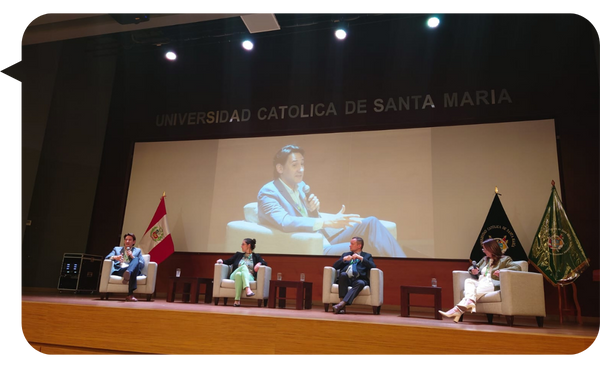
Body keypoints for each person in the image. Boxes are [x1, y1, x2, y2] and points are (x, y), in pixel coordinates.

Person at [257, 144, 406, 257]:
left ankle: (405, 265)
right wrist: (327, 222)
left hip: (323, 240)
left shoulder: (301, 186)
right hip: (312, 249)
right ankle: (400, 276)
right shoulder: (269, 192)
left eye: (302, 164)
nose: (301, 169)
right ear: (280, 168)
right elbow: (285, 222)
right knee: (368, 247)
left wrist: (312, 210)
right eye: (295, 165)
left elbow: (309, 220)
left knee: (370, 223)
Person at [439, 238, 521, 322]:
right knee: (468, 281)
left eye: (485, 249)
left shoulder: (505, 259)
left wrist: (501, 272)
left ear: (491, 248)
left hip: (492, 283)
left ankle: (457, 310)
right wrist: (473, 270)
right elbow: (473, 267)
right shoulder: (484, 259)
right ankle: (466, 305)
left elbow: (517, 268)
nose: (483, 251)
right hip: (481, 282)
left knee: (474, 292)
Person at [330, 237, 377, 314]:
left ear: (359, 246)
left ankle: (341, 305)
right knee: (343, 274)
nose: (349, 245)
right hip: (346, 279)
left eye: (352, 244)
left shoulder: (367, 256)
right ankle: (342, 305)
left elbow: (373, 266)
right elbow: (334, 266)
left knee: (361, 283)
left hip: (358, 278)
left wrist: (361, 258)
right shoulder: (346, 255)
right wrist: (344, 260)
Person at [216, 238, 268, 307]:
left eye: (243, 244)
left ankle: (237, 300)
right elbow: (228, 261)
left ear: (248, 245)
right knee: (243, 268)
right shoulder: (238, 254)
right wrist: (221, 261)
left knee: (239, 275)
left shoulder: (256, 256)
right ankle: (247, 289)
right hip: (233, 276)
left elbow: (265, 263)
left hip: (249, 277)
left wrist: (259, 263)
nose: (241, 246)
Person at [105, 233, 145, 302]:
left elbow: (142, 264)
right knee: (132, 272)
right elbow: (107, 257)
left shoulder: (137, 251)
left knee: (136, 260)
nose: (127, 241)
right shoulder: (117, 249)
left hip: (132, 269)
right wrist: (115, 257)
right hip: (121, 269)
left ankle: (128, 273)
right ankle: (130, 295)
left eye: (129, 240)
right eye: (126, 239)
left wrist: (132, 256)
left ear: (133, 242)